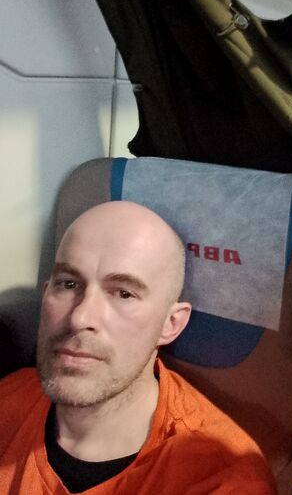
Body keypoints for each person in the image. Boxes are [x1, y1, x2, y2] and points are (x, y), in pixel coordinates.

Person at [0, 201, 276, 494]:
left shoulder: (224, 480)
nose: (80, 318)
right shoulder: (9, 398)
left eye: (124, 293)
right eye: (68, 284)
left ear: (171, 324)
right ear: (46, 295)